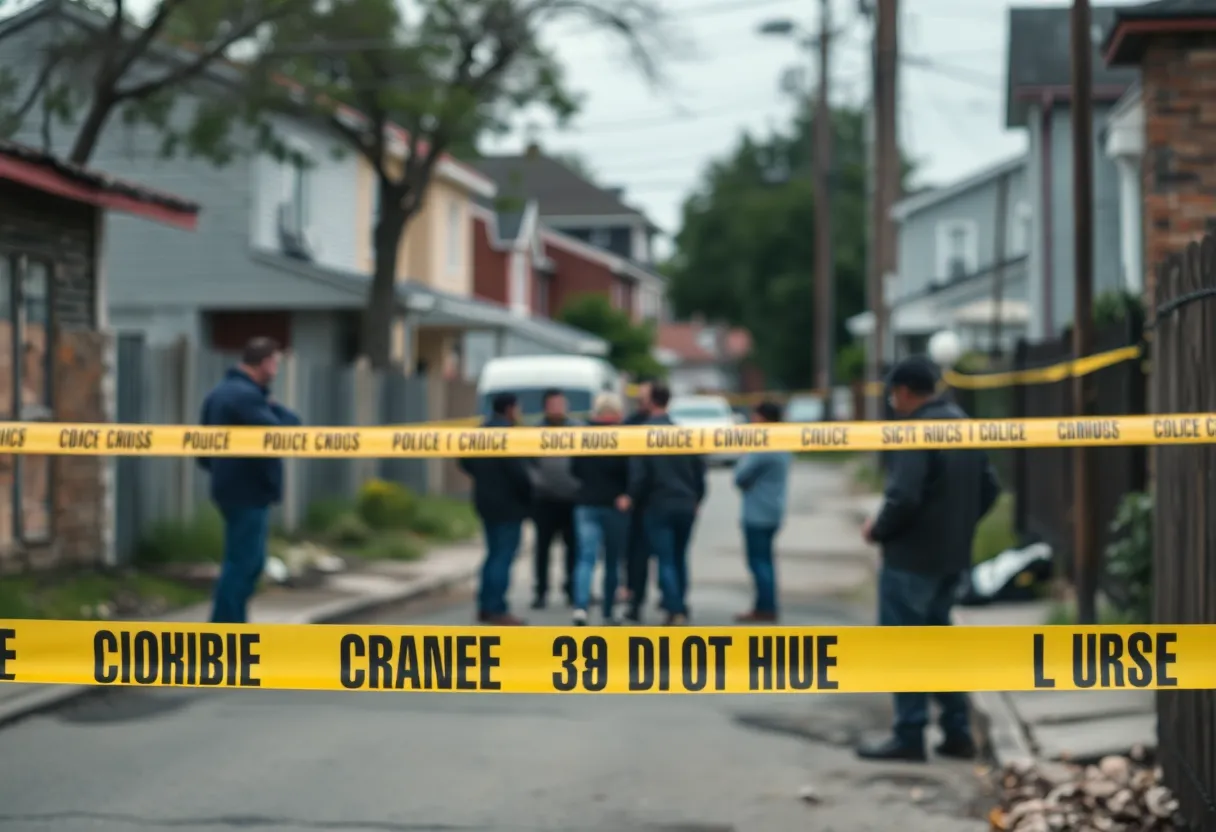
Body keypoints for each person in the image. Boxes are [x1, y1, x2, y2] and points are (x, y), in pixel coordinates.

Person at [856, 356, 1001, 763]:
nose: (890, 400)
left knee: (905, 646)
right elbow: (990, 487)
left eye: (891, 393)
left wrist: (877, 529)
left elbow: (903, 496)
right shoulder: (964, 425)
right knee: (939, 645)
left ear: (904, 392)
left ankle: (909, 734)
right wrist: (957, 523)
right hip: (952, 558)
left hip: (910, 559)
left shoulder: (915, 431)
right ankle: (957, 731)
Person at [198, 337, 301, 624]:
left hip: (231, 488)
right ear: (265, 362)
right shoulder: (246, 397)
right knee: (244, 564)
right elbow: (285, 431)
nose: (277, 370)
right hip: (247, 490)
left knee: (247, 562)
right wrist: (274, 407)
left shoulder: (220, 393)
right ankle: (225, 630)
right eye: (276, 363)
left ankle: (233, 627)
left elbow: (202, 450)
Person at [620, 382, 706, 626]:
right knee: (680, 557)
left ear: (651, 401)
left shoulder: (643, 434)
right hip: (685, 503)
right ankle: (679, 602)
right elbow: (699, 471)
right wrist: (697, 498)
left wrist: (632, 497)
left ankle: (675, 608)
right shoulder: (683, 434)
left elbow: (639, 475)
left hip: (657, 503)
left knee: (665, 559)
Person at [460, 392, 533, 625]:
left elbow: (464, 461)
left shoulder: (479, 432)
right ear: (511, 409)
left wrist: (483, 478)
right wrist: (530, 495)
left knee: (493, 554)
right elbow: (518, 473)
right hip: (508, 505)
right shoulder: (507, 435)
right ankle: (496, 609)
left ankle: (485, 605)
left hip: (484, 502)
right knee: (503, 556)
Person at [569, 392, 630, 625]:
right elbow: (631, 470)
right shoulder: (624, 437)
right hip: (615, 505)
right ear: (615, 413)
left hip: (586, 503)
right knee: (612, 561)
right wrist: (627, 493)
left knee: (586, 558)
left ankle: (580, 607)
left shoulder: (583, 435)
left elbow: (574, 469)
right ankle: (608, 612)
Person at [733, 400, 792, 623]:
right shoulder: (784, 442)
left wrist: (745, 452)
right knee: (765, 559)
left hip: (757, 512)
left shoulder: (763, 445)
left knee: (758, 562)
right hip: (774, 509)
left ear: (763, 419)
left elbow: (740, 476)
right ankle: (763, 605)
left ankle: (766, 607)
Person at [529, 388, 581, 608]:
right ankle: (541, 591)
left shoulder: (578, 429)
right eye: (553, 404)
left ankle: (571, 589)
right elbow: (527, 463)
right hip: (544, 499)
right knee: (542, 549)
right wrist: (537, 482)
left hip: (572, 498)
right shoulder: (534, 432)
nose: (558, 408)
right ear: (545, 407)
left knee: (573, 548)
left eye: (561, 404)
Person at [622, 378, 655, 622]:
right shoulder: (629, 425)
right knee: (636, 556)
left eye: (645, 397)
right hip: (635, 502)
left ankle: (674, 602)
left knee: (668, 555)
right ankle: (635, 599)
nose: (641, 402)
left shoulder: (670, 429)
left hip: (657, 500)